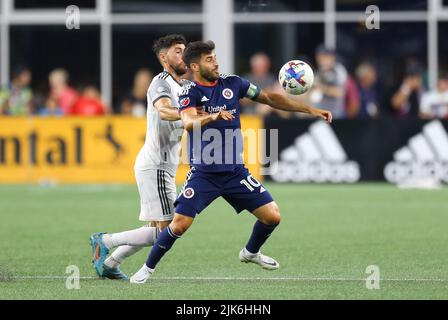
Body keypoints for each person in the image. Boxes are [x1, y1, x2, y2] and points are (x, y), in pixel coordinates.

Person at [130, 40, 332, 284]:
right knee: (179, 224)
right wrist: (213, 115)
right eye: (208, 59)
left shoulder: (233, 83)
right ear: (194, 66)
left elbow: (268, 98)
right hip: (204, 173)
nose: (215, 62)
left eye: (215, 56)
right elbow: (188, 121)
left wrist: (310, 110)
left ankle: (250, 252)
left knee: (272, 216)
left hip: (235, 172)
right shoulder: (189, 91)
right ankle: (147, 269)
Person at [89, 34, 189, 280]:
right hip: (155, 164)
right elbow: (164, 111)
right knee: (168, 230)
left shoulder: (185, 87)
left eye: (185, 50)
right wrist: (190, 114)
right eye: (178, 51)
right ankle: (105, 241)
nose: (184, 55)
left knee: (161, 228)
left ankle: (110, 263)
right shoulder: (160, 82)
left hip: (164, 165)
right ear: (163, 57)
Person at [308, 45, 347, 119]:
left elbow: (340, 92)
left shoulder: (338, 70)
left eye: (325, 57)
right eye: (320, 57)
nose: (322, 60)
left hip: (335, 115)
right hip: (319, 115)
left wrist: (321, 87)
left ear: (332, 58)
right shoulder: (317, 73)